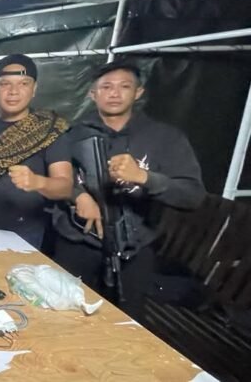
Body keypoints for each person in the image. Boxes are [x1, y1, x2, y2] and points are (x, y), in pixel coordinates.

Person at [53, 60, 206, 318]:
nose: (114, 93)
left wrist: (145, 177)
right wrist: (77, 195)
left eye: (124, 86)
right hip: (77, 243)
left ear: (138, 92)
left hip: (133, 249)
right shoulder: (71, 134)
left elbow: (193, 196)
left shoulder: (165, 138)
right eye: (106, 87)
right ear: (93, 94)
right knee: (63, 315)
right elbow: (54, 178)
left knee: (127, 320)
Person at [0, 54, 73, 250]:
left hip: (25, 232)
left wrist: (38, 182)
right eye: (4, 84)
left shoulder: (49, 128)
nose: (13, 91)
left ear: (34, 89)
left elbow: (65, 187)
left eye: (23, 84)